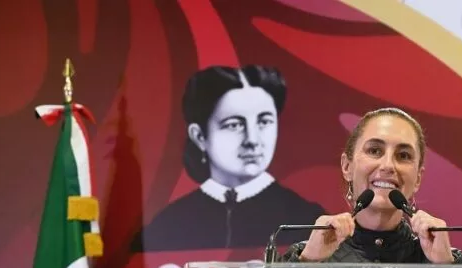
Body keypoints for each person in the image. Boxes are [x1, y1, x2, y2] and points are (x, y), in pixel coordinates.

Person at [137, 65, 325, 252]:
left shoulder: (308, 221)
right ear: (199, 136)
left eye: (264, 122)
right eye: (234, 125)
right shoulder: (166, 226)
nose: (252, 140)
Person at [281, 107, 462, 265]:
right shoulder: (304, 256)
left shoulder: (445, 260)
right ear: (347, 167)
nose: (388, 165)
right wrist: (307, 263)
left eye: (403, 155)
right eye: (374, 151)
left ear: (418, 179)